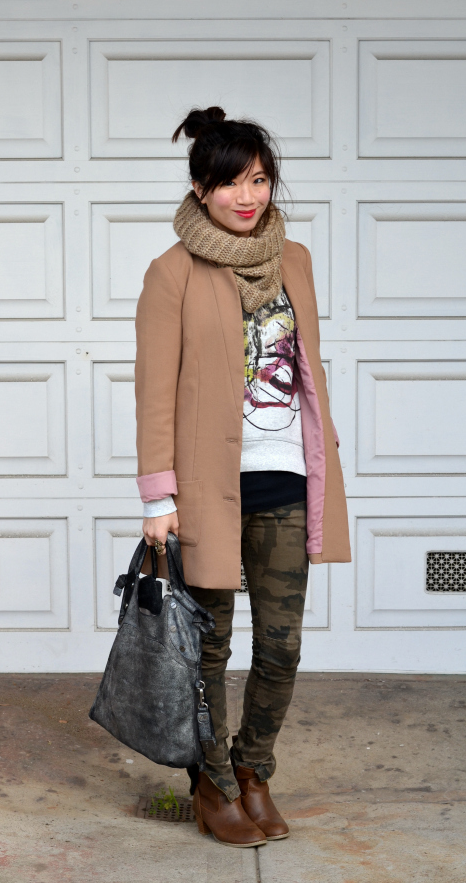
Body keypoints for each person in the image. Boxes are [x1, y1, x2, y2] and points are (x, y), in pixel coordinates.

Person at [135, 106, 351, 848]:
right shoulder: (171, 273)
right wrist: (159, 496)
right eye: (231, 182)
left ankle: (254, 769)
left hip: (285, 478)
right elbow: (155, 390)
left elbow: (304, 369)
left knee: (282, 645)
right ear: (201, 189)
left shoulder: (296, 260)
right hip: (209, 492)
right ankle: (213, 785)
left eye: (259, 179)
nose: (248, 196)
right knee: (211, 650)